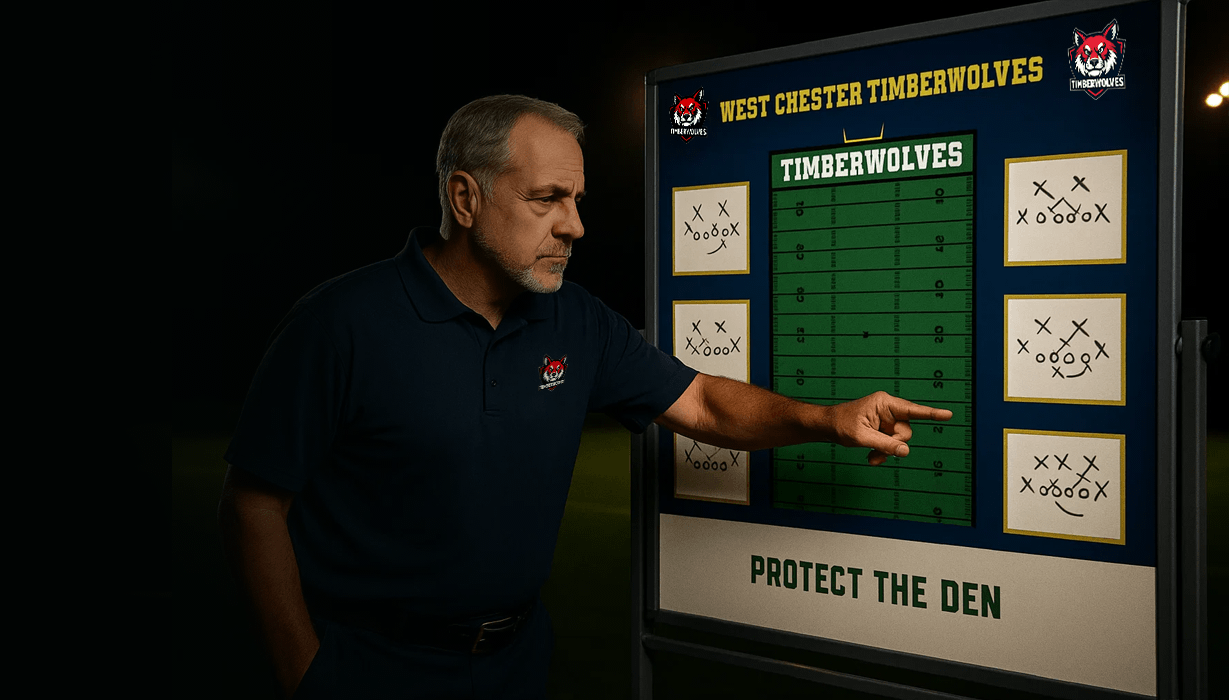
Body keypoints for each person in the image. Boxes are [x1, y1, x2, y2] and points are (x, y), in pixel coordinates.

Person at [218, 95, 951, 699]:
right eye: (548, 199)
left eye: (576, 198)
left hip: (515, 664)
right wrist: (306, 674)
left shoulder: (577, 320)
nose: (575, 224)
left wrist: (826, 418)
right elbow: (254, 503)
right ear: (466, 198)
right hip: (371, 670)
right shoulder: (341, 323)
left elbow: (701, 404)